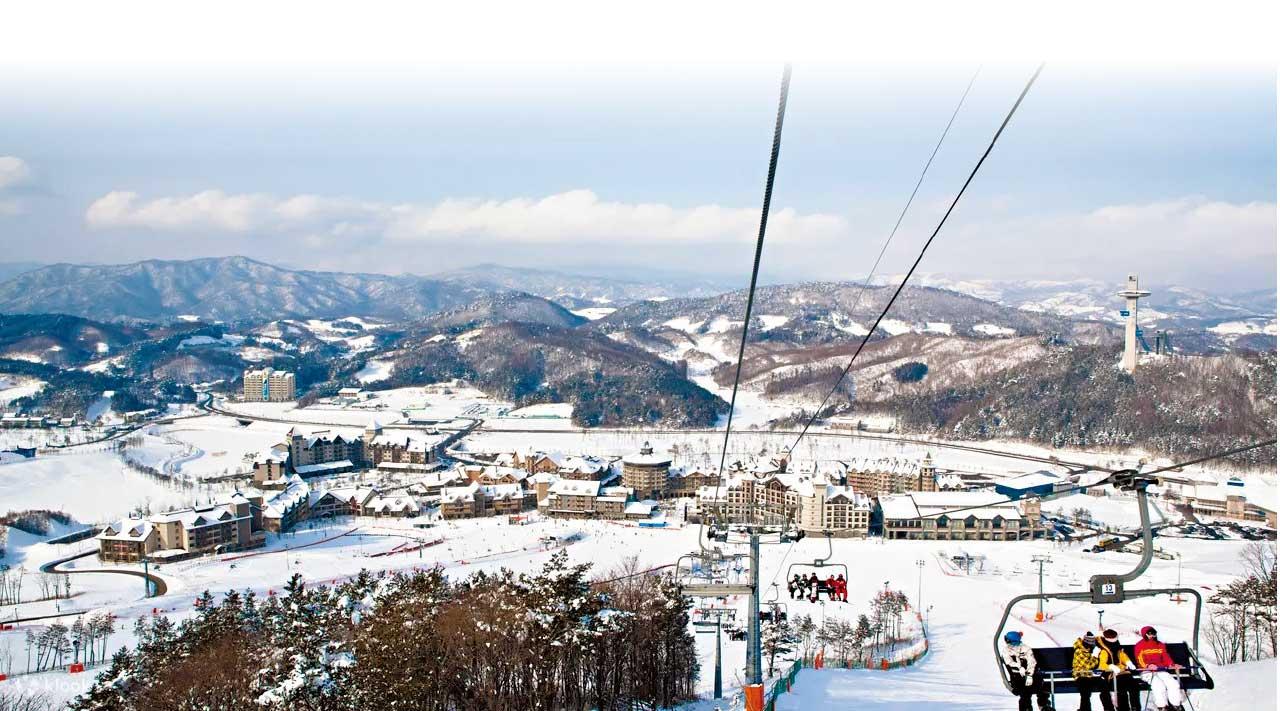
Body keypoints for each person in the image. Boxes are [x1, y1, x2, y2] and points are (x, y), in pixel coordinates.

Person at [1133, 626, 1186, 711]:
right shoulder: (1140, 645)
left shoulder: (1160, 644)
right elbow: (1139, 659)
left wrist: (1171, 664)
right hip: (1146, 671)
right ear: (1145, 634)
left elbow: (1165, 656)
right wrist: (1147, 666)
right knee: (1158, 685)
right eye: (1149, 634)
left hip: (1160, 669)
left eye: (1153, 634)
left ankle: (1175, 705)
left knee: (1173, 683)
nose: (1152, 636)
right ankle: (1162, 706)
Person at [1001, 631, 1051, 711]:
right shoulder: (1006, 651)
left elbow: (1032, 661)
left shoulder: (1025, 648)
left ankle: (1044, 705)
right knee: (1025, 691)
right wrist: (1019, 667)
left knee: (1040, 686)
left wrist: (1029, 674)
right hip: (1017, 678)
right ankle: (1026, 707)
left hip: (1030, 677)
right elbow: (1009, 662)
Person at [1096, 629, 1140, 711]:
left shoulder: (1117, 646)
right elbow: (1101, 664)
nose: (1115, 640)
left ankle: (1135, 707)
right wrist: (1111, 666)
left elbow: (1122, 655)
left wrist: (1128, 662)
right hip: (1112, 674)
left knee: (1134, 686)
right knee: (1121, 689)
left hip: (1124, 672)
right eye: (1113, 639)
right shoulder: (1104, 650)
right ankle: (1124, 708)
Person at [1071, 631, 1115, 711]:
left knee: (1103, 685)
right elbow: (1089, 666)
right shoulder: (1079, 651)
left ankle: (1109, 708)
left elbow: (1092, 663)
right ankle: (1085, 709)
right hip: (1080, 676)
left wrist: (1095, 659)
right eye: (1092, 646)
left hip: (1089, 675)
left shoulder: (1087, 651)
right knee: (1085, 691)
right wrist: (1096, 658)